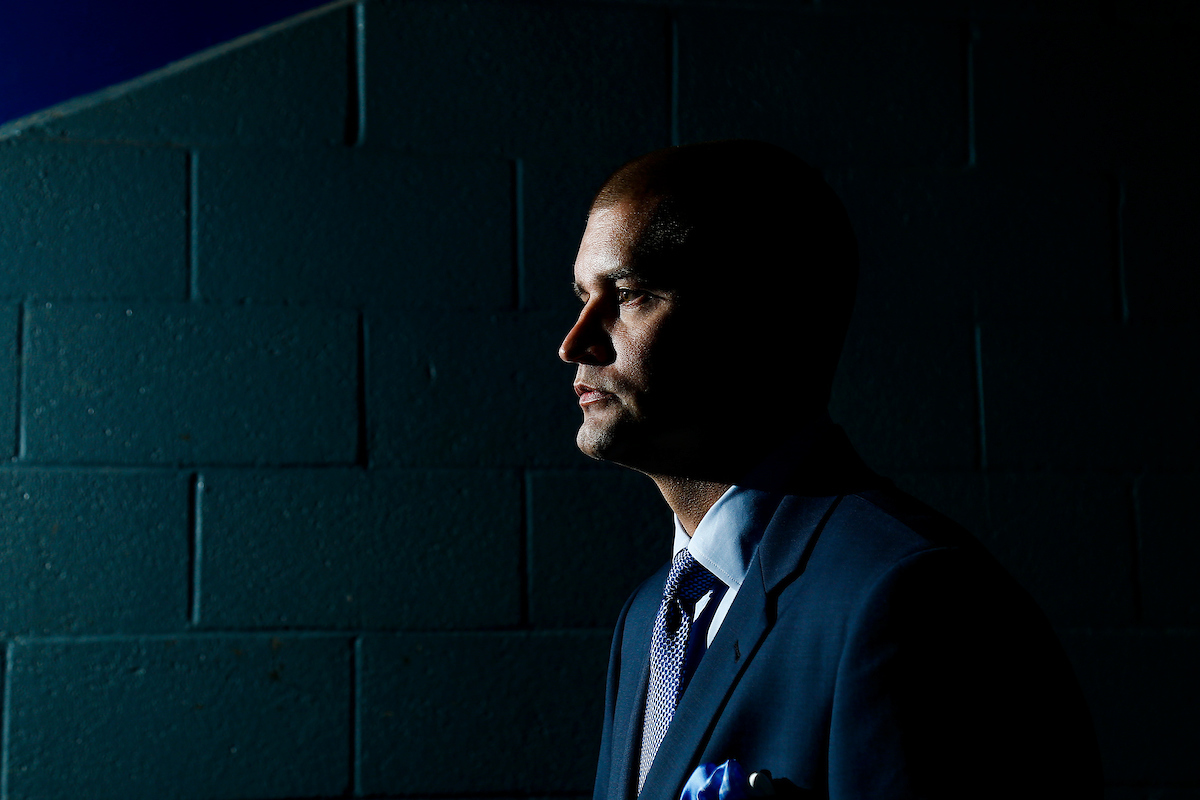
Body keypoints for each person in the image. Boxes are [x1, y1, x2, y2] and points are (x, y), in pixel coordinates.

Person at [558, 140, 1103, 800]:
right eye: (584, 295)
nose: (576, 342)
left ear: (763, 319)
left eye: (630, 294)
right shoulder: (649, 617)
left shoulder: (911, 601)